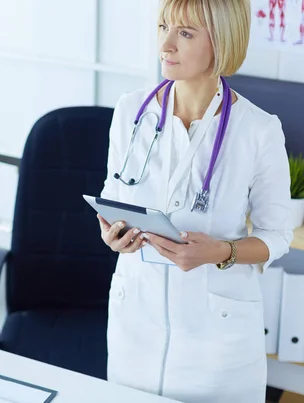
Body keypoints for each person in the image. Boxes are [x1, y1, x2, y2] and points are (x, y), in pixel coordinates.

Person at [97, 1, 292, 402]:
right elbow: (112, 199)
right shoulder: (130, 111)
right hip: (136, 323)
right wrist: (112, 236)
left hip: (216, 344)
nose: (165, 44)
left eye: (184, 33)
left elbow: (278, 236)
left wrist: (220, 251)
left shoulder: (259, 130)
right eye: (163, 26)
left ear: (220, 43)